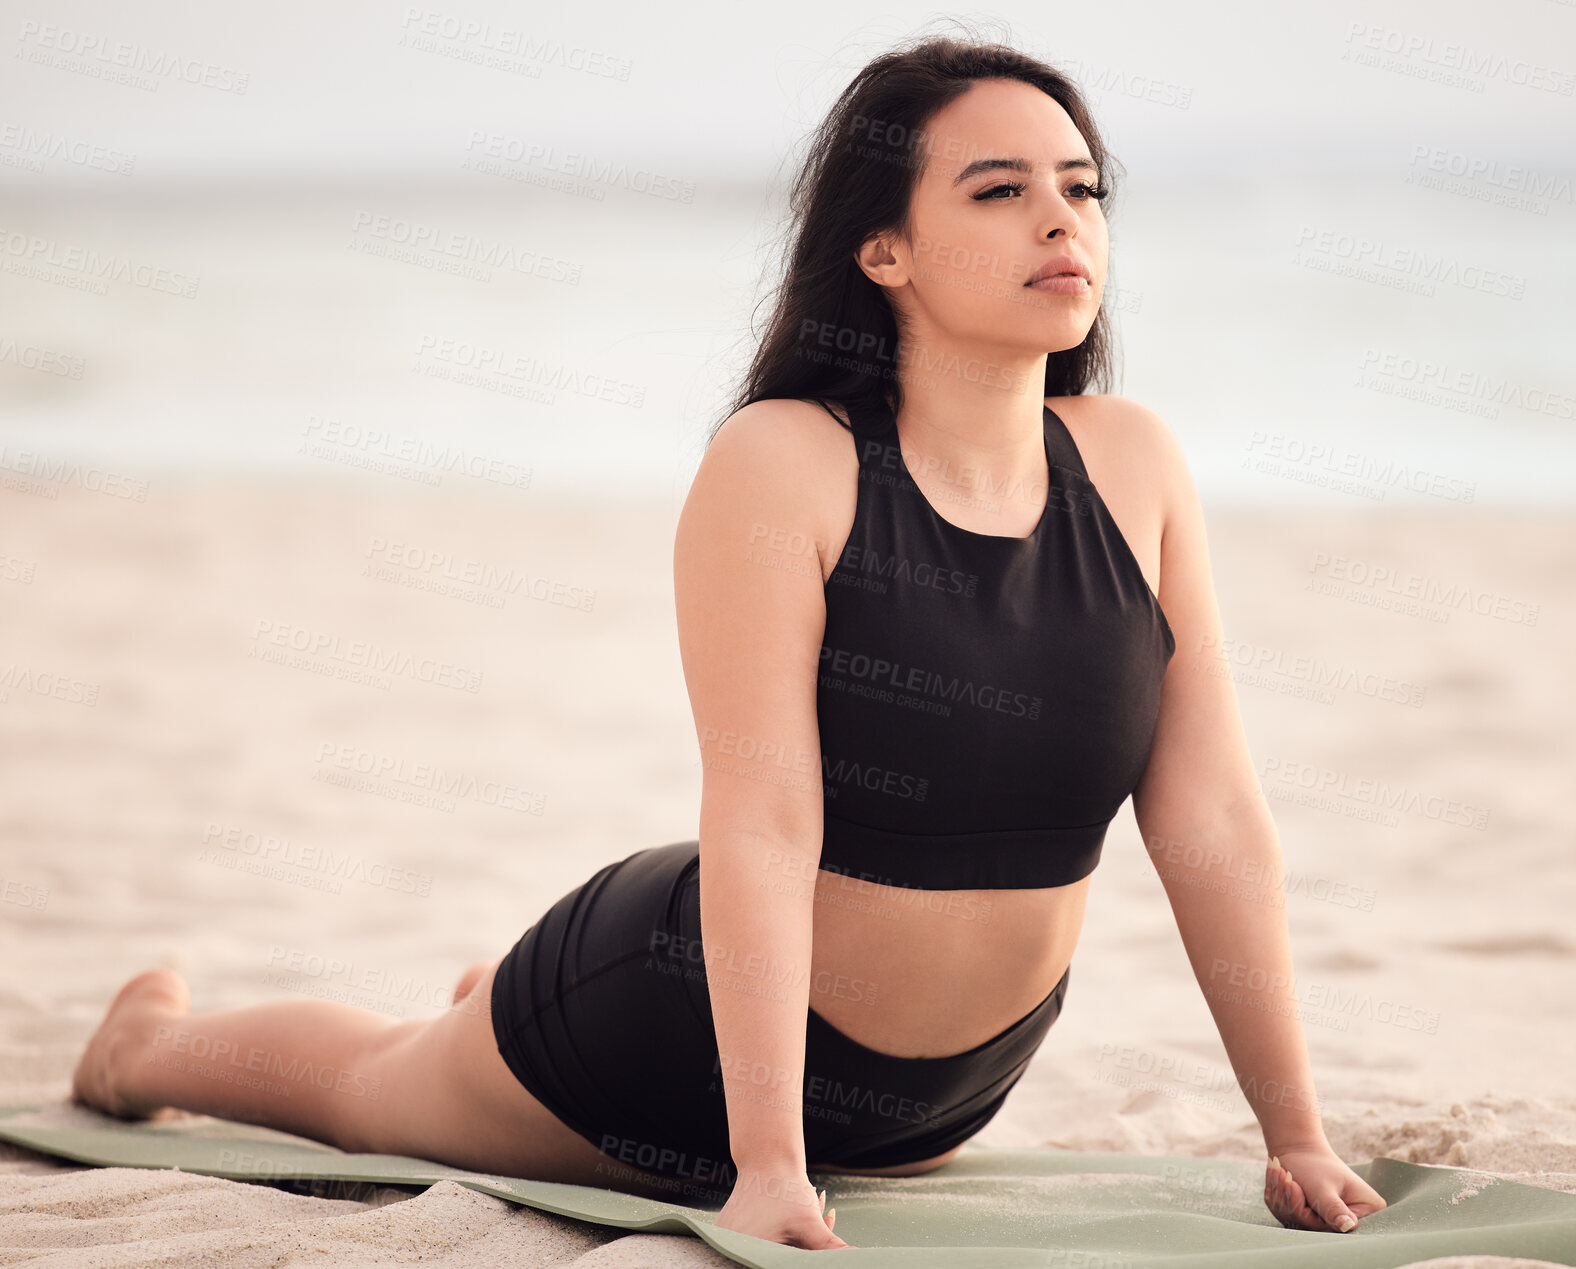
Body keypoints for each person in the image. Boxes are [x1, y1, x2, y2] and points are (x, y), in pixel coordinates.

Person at [70, 32, 1388, 1252]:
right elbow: (761, 819)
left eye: (1083, 187)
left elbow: (1213, 815)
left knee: (453, 1056)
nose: (1060, 217)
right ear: (885, 251)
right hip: (674, 1034)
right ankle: (149, 1050)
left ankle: (482, 1022)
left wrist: (1298, 1135)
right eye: (996, 190)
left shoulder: (1135, 465)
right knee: (375, 1089)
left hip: (948, 1095)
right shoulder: (788, 464)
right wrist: (767, 1158)